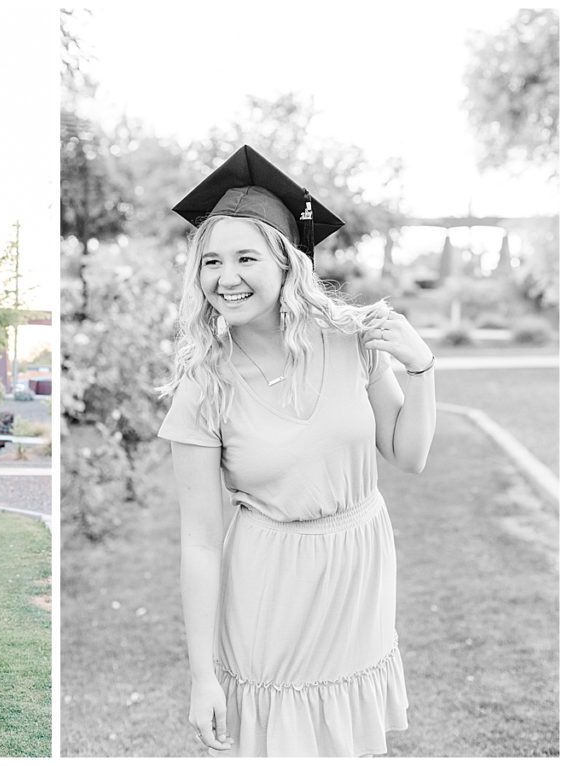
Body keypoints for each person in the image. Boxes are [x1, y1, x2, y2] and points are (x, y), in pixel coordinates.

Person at [157, 146, 436, 757]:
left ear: (288, 262)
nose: (225, 277)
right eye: (210, 262)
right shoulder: (203, 384)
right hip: (269, 581)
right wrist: (203, 675)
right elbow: (201, 541)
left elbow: (408, 454)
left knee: (347, 743)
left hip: (359, 564)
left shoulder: (352, 339)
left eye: (245, 257)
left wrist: (422, 368)